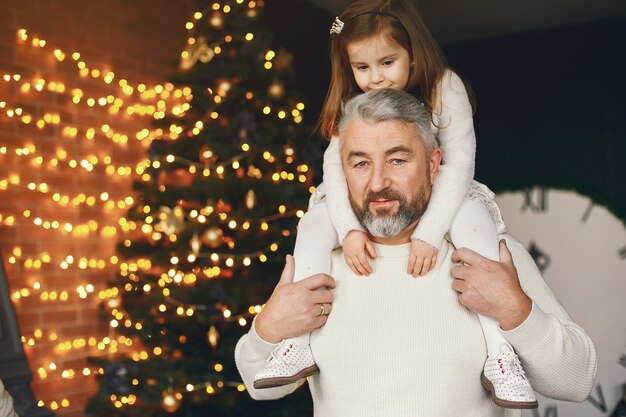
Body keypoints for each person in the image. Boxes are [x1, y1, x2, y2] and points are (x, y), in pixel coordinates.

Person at [235, 88, 597, 416]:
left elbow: (577, 381)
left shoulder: (489, 255)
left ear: (434, 165)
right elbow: (259, 386)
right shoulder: (320, 263)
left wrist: (514, 309)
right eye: (360, 163)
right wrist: (267, 327)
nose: (378, 182)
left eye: (397, 160)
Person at [253, 0, 536, 408]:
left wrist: (429, 232)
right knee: (313, 223)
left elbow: (458, 165)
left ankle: (500, 354)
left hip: (446, 196)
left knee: (476, 224)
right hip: (355, 216)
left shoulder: (443, 87)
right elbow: (334, 170)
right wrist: (349, 229)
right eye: (362, 68)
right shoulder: (355, 101)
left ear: (413, 54)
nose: (376, 78)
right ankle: (296, 344)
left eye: (387, 62)